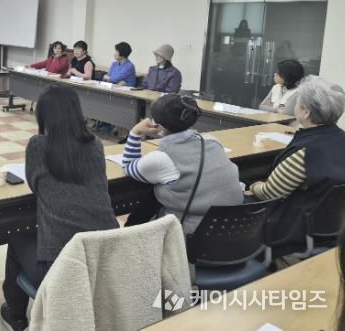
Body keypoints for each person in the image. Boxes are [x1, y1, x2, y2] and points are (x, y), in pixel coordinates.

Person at [0, 85, 119, 330]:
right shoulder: (96, 144)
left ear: (43, 115)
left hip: (62, 269)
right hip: (106, 259)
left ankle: (16, 316)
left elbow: (35, 185)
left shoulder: (37, 145)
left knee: (17, 240)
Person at [246, 76, 345, 256]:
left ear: (306, 112)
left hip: (295, 228)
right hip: (334, 224)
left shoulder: (306, 152)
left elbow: (270, 193)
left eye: (298, 102)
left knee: (242, 195)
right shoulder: (340, 138)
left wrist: (253, 186)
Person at [122, 95, 243, 234]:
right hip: (234, 227)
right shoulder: (213, 141)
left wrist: (135, 132)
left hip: (191, 236)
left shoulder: (161, 158)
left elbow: (128, 167)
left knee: (148, 201)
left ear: (158, 125)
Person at [94, 42, 136, 134]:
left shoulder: (129, 66)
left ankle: (110, 125)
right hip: (113, 91)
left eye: (116, 51)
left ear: (122, 52)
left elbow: (112, 78)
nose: (114, 53)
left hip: (127, 96)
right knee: (100, 99)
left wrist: (110, 79)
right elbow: (106, 77)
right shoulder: (114, 64)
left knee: (111, 103)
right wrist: (112, 80)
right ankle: (103, 122)